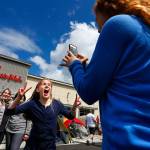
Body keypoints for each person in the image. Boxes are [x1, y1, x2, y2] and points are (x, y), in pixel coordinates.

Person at [62, 0, 150, 149]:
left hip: (126, 141)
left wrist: (74, 65)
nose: (98, 30)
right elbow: (124, 78)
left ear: (107, 9)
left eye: (97, 21)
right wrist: (86, 67)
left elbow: (89, 91)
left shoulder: (118, 24)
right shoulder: (143, 31)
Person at [7, 79, 81, 150]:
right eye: (44, 84)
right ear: (38, 89)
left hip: (49, 146)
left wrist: (74, 107)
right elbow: (9, 112)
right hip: (33, 145)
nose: (47, 86)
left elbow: (71, 116)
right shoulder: (32, 104)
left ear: (50, 90)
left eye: (49, 85)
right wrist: (18, 97)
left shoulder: (57, 104)